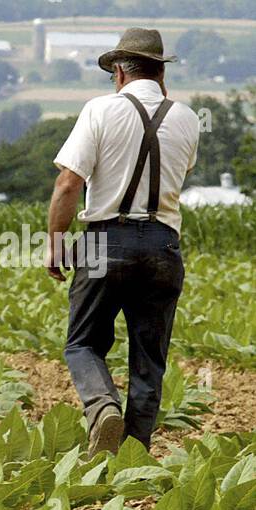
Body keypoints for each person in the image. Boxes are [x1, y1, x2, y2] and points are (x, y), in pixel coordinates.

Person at [45, 28, 200, 456]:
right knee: (149, 360)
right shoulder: (186, 118)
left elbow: (68, 182)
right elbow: (176, 174)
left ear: (118, 71)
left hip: (103, 242)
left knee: (83, 343)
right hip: (163, 246)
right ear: (160, 71)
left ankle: (101, 408)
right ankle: (132, 458)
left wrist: (55, 240)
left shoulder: (100, 110)